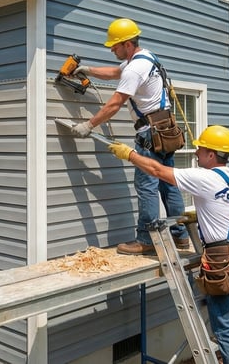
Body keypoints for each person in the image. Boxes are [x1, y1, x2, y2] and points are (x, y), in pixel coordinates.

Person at [108, 125, 229, 364]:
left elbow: (157, 170)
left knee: (228, 331)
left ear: (212, 154)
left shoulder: (204, 178)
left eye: (200, 150)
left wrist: (129, 155)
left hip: (225, 264)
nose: (196, 153)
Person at [70, 18, 189, 253]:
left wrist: (89, 125)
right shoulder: (145, 58)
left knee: (147, 186)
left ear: (127, 43)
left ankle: (145, 240)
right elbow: (115, 72)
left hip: (149, 134)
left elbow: (115, 103)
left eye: (114, 46)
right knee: (168, 183)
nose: (112, 49)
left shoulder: (134, 68)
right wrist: (88, 70)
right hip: (165, 130)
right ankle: (180, 235)